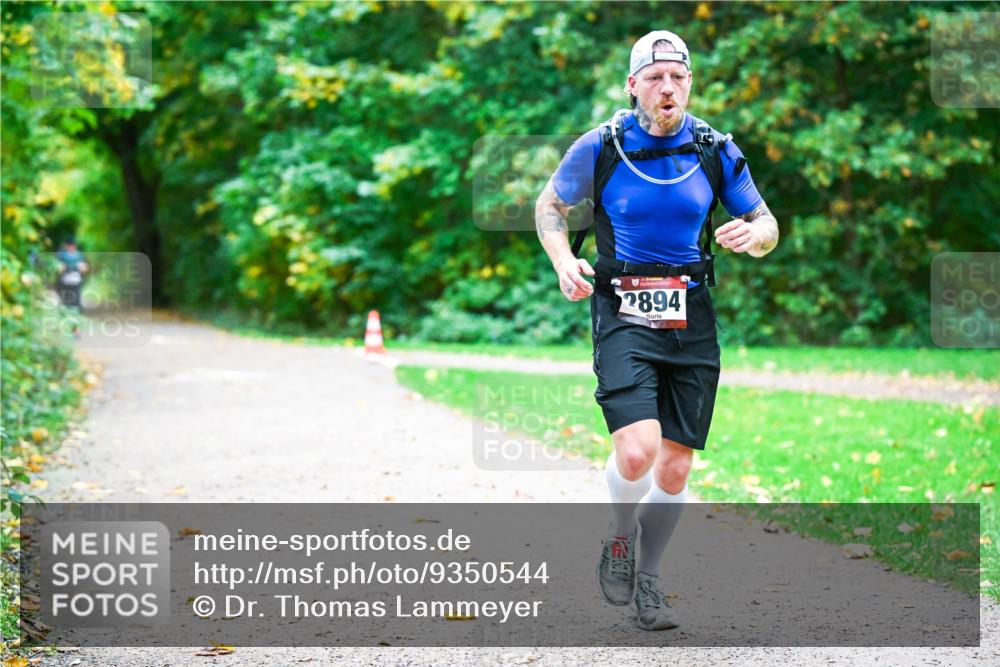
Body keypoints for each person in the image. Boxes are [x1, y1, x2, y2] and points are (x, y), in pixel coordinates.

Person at [534, 30, 779, 630]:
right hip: (623, 309)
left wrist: (758, 238)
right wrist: (566, 261)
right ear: (632, 86)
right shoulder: (602, 146)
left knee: (674, 466)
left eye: (678, 76)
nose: (668, 87)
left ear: (689, 82)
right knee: (638, 451)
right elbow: (549, 207)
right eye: (655, 77)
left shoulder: (713, 148)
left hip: (691, 315)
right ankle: (620, 536)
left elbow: (765, 221)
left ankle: (649, 581)